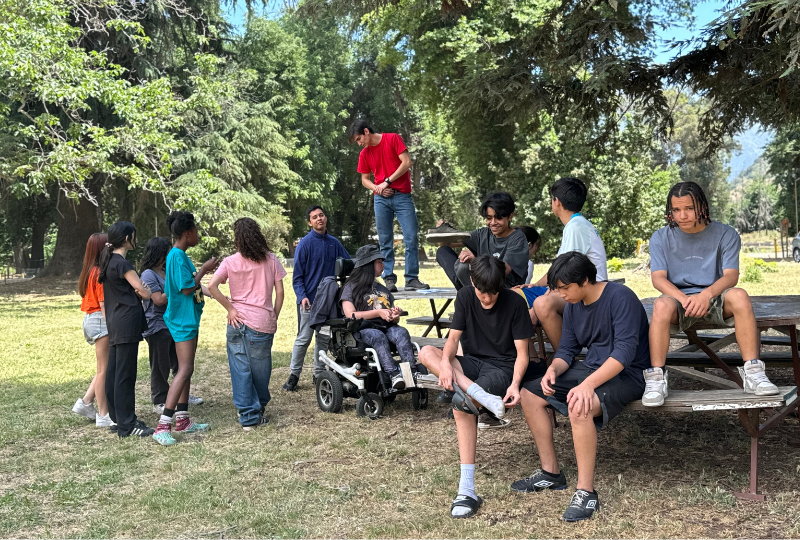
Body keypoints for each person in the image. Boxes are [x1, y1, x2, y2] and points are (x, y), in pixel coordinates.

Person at [511, 252, 649, 522]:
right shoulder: (574, 304)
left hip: (629, 374)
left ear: (585, 280)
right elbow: (567, 350)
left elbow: (624, 353)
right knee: (530, 394)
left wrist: (587, 385)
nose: (561, 295)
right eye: (557, 289)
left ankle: (586, 492)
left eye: (565, 288)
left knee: (579, 405)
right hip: (591, 370)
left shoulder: (621, 297)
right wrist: (553, 370)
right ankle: (551, 473)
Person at [418, 255, 539, 519]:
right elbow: (452, 341)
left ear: (501, 285)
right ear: (472, 281)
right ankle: (477, 394)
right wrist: (446, 364)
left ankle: (466, 490)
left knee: (462, 406)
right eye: (482, 292)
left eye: (493, 293)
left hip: (502, 368)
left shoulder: (515, 303)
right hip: (472, 364)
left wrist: (515, 384)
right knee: (426, 352)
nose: (487, 298)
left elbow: (522, 354)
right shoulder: (464, 296)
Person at [641, 181, 778, 406]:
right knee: (661, 305)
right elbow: (658, 279)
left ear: (702, 206)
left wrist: (705, 295)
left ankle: (753, 372)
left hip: (715, 296)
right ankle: (656, 377)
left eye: (689, 208)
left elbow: (731, 276)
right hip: (679, 299)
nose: (682, 215)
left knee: (740, 295)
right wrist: (685, 299)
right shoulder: (660, 237)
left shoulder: (726, 234)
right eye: (676, 210)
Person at [209, 218, 286, 430]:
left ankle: (248, 414)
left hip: (236, 321)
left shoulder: (230, 261)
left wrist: (231, 309)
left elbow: (212, 286)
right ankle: (257, 409)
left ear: (237, 239)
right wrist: (274, 315)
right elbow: (280, 293)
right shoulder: (271, 259)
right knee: (261, 370)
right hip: (262, 322)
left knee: (240, 369)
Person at [152, 211, 218, 446]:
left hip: (187, 317)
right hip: (182, 320)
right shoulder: (177, 256)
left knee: (185, 369)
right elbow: (187, 288)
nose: (198, 235)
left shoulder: (178, 255)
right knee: (185, 369)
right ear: (187, 233)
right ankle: (162, 426)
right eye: (196, 231)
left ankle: (183, 420)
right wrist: (205, 269)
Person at [523, 177, 608, 351]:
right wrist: (535, 285)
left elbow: (563, 273)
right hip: (576, 287)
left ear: (557, 202)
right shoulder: (577, 224)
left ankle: (565, 357)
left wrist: (541, 299)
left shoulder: (576, 227)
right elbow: (558, 270)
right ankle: (533, 358)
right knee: (517, 295)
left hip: (590, 292)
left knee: (542, 305)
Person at [349, 119, 429, 292]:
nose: (359, 143)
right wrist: (378, 189)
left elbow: (406, 163)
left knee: (411, 236)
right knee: (385, 240)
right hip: (381, 199)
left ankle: (411, 278)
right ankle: (389, 279)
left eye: (359, 139)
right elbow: (364, 179)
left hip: (402, 196)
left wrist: (386, 182)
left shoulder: (392, 139)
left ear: (366, 131)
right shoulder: (364, 154)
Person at [283, 205, 350, 392]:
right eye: (314, 217)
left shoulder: (334, 243)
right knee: (303, 338)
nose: (319, 218)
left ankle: (319, 374)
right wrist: (302, 296)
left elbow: (348, 265)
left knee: (323, 338)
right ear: (309, 223)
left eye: (321, 215)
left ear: (325, 218)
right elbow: (297, 277)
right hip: (309, 301)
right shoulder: (304, 244)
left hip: (329, 302)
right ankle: (294, 375)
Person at [341, 245, 426, 389]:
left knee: (401, 332)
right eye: (379, 262)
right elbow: (351, 314)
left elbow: (392, 315)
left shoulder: (382, 289)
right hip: (362, 330)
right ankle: (393, 374)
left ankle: (411, 372)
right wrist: (378, 313)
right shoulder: (350, 288)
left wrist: (394, 314)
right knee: (377, 335)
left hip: (386, 327)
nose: (383, 265)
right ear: (368, 265)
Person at [97, 221, 154, 438]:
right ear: (128, 238)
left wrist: (139, 290)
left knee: (115, 371)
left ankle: (119, 418)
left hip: (115, 321)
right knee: (125, 374)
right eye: (134, 235)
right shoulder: (122, 264)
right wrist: (143, 290)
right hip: (127, 322)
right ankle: (127, 424)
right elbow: (144, 291)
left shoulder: (108, 261)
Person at [435, 192, 529, 290]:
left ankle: (468, 292)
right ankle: (467, 291)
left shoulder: (518, 239)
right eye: (489, 218)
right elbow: (448, 243)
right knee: (443, 251)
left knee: (463, 268)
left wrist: (475, 261)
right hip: (480, 285)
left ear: (510, 216)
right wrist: (442, 232)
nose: (493, 222)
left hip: (503, 289)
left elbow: (500, 273)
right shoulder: (482, 234)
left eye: (498, 218)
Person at [72, 232, 115, 428]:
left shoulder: (89, 270)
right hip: (100, 320)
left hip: (91, 319)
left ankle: (86, 402)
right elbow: (104, 304)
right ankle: (103, 415)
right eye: (108, 244)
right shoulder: (99, 273)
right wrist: (113, 326)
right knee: (104, 370)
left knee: (102, 368)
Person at [140, 237, 179, 415]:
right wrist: (177, 288)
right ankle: (159, 400)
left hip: (171, 323)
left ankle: (181, 395)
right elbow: (158, 299)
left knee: (178, 362)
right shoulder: (148, 274)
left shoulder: (165, 271)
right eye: (167, 252)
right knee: (160, 365)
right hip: (156, 325)